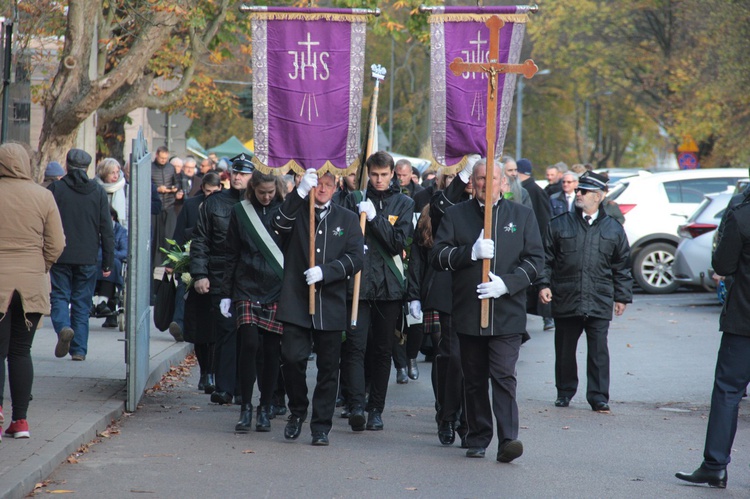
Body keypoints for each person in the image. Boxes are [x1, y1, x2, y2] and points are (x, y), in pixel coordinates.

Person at [431, 158, 543, 462]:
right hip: (468, 311)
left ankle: (508, 439)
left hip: (506, 311)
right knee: (475, 377)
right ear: (473, 182)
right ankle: (478, 436)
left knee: (504, 374)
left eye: (492, 179)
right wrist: (469, 253)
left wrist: (508, 284)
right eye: (480, 178)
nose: (486, 184)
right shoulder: (455, 215)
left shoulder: (522, 215)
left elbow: (535, 260)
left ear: (503, 183)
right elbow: (438, 256)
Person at [273, 169, 364, 446]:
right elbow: (276, 227)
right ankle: (297, 410)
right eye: (318, 184)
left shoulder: (347, 219)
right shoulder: (297, 210)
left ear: (335, 187)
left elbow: (356, 258)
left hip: (330, 302)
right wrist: (298, 193)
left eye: (327, 185)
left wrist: (327, 271)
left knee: (328, 368)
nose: (322, 189)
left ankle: (321, 425)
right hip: (297, 300)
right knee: (291, 358)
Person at [538, 171, 632, 413]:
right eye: (578, 190)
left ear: (598, 197)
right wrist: (543, 284)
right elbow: (545, 259)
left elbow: (621, 264)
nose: (577, 194)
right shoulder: (559, 224)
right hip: (566, 295)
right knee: (565, 349)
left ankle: (599, 396)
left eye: (584, 191)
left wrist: (622, 296)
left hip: (599, 297)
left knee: (599, 351)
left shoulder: (613, 228)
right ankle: (564, 391)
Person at [674, 195, 750, 489]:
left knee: (728, 393)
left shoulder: (742, 214)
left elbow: (723, 263)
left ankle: (715, 465)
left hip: (744, 320)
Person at [342, 151, 414, 432]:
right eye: (374, 175)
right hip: (357, 285)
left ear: (393, 173)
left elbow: (398, 243)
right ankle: (357, 405)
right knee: (355, 347)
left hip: (389, 287)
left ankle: (376, 410)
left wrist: (374, 219)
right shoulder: (353, 199)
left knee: (382, 350)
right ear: (367, 174)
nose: (379, 180)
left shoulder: (404, 203)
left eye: (384, 175)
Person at [0, 143, 65, 440]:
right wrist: (43, 265)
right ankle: (21, 421)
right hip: (31, 284)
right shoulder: (44, 196)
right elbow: (57, 243)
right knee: (21, 352)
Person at [221, 170, 287, 433]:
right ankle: (245, 407)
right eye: (262, 193)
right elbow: (231, 253)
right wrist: (226, 293)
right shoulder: (240, 212)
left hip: (275, 288)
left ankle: (265, 408)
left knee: (271, 351)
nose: (267, 197)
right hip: (246, 286)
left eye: (271, 192)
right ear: (253, 189)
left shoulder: (284, 212)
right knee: (249, 344)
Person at [190, 155, 252, 405]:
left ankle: (241, 387)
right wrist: (200, 274)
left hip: (249, 278)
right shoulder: (213, 203)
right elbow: (200, 240)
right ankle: (226, 387)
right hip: (219, 275)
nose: (238, 177)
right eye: (236, 172)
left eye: (244, 173)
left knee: (246, 334)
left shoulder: (260, 203)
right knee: (226, 331)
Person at [48, 148, 114, 361]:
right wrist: (108, 262)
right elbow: (107, 229)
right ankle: (79, 350)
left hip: (61, 254)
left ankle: (63, 327)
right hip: (87, 256)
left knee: (59, 295)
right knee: (81, 301)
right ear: (88, 167)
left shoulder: (56, 189)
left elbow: (46, 223)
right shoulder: (98, 191)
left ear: (66, 165)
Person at [174, 172, 222, 391]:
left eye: (215, 192)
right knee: (200, 326)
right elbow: (179, 236)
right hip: (195, 267)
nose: (211, 195)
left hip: (218, 270)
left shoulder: (225, 204)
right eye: (208, 191)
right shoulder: (192, 205)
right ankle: (205, 371)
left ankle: (212, 372)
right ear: (202, 189)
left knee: (215, 327)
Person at [93, 206, 128, 328]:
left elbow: (124, 252)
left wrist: (109, 254)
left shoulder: (121, 232)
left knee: (112, 264)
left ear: (112, 218)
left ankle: (102, 302)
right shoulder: (94, 230)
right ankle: (97, 303)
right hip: (96, 263)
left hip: (112, 263)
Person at [151, 146, 177, 274]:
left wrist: (175, 189)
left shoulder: (171, 168)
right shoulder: (150, 168)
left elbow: (176, 183)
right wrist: (157, 189)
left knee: (169, 235)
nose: (163, 160)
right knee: (155, 235)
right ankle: (154, 263)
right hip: (156, 206)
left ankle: (168, 263)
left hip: (169, 205)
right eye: (161, 158)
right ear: (156, 155)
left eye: (166, 158)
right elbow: (148, 185)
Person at [95, 157, 128, 230]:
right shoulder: (95, 188)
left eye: (117, 172)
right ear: (104, 173)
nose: (116, 176)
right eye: (112, 173)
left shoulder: (125, 188)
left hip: (121, 231)